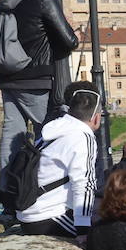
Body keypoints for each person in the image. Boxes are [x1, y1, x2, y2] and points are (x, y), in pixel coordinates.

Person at [0, 0, 80, 193]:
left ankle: (6, 190)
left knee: (12, 134)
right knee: (48, 131)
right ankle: (46, 189)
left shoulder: (4, 1)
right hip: (36, 77)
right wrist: (74, 30)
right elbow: (69, 41)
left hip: (8, 76)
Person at [17, 82, 102, 238]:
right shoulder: (83, 137)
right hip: (47, 218)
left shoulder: (54, 130)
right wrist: (83, 230)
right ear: (96, 118)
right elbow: (84, 183)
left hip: (29, 213)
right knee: (112, 232)